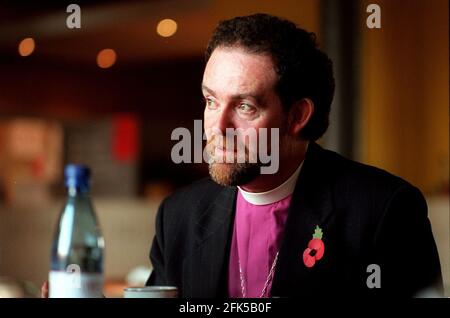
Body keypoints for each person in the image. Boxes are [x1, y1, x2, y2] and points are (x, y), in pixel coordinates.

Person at [145, 13, 442, 298]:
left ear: (297, 116)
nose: (217, 127)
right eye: (211, 100)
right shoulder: (177, 216)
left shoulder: (385, 211)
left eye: (244, 106)